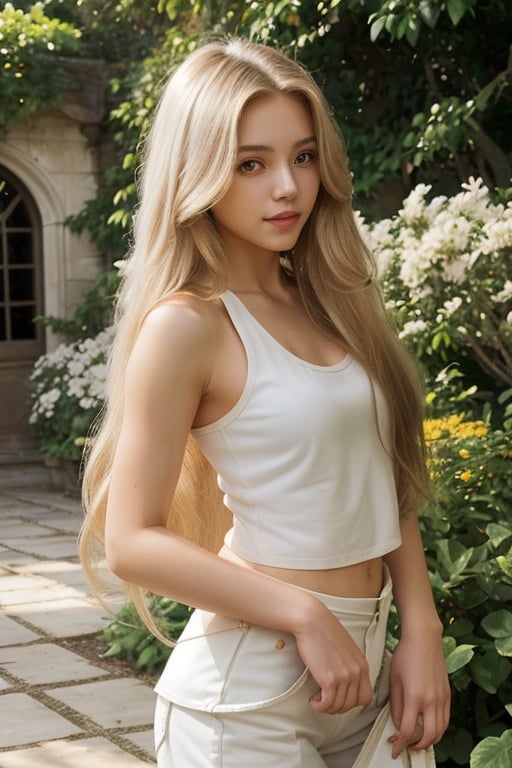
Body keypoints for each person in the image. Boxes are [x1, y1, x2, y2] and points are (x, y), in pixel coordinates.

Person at [79, 38, 450, 767]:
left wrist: (423, 633)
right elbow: (131, 540)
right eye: (252, 163)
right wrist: (303, 614)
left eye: (303, 156)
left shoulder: (334, 301)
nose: (287, 186)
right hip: (248, 694)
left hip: (369, 674)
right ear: (200, 172)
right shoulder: (188, 326)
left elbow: (387, 474)